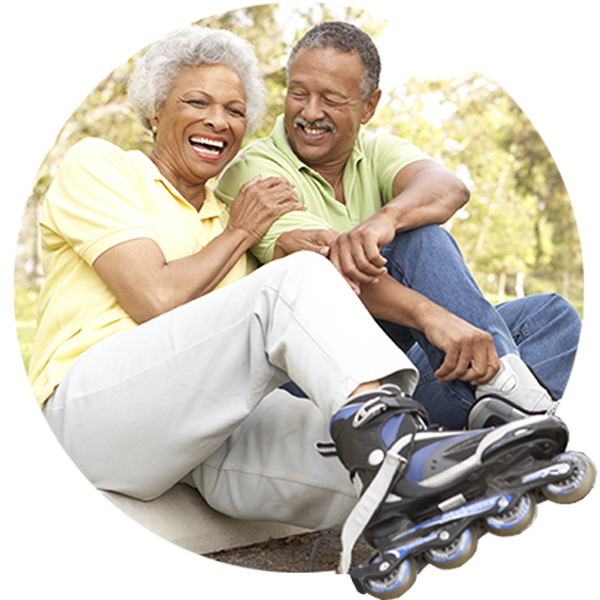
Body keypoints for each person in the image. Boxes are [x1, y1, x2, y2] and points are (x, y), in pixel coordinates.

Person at [26, 26, 591, 597]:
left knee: (408, 464)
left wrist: (250, 230)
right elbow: (157, 299)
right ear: (154, 111)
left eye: (234, 110)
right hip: (98, 407)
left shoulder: (228, 215)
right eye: (197, 102)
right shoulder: (103, 166)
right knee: (295, 278)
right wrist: (247, 232)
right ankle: (447, 422)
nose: (218, 121)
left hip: (199, 438)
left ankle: (452, 475)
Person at [215, 21, 582, 431]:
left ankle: (492, 413)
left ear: (368, 106)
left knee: (552, 315)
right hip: (312, 380)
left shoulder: (374, 151)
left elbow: (449, 188)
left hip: (396, 375)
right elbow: (324, 276)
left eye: (331, 98)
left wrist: (382, 221)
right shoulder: (255, 171)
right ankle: (513, 405)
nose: (310, 112)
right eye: (299, 93)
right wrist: (433, 318)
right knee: (420, 243)